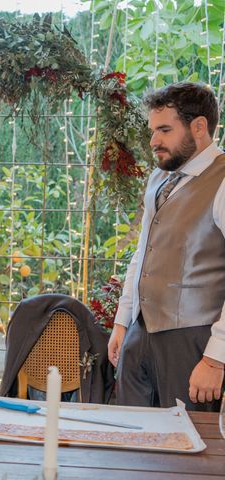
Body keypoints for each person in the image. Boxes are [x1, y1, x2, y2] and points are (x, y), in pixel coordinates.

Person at [108, 82, 225, 411]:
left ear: (199, 127)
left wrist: (216, 359)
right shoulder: (158, 178)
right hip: (139, 335)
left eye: (164, 130)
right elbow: (143, 252)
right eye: (152, 130)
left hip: (193, 343)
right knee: (132, 442)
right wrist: (122, 322)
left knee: (189, 452)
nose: (153, 141)